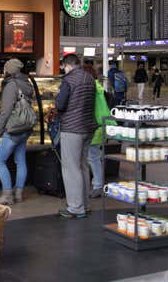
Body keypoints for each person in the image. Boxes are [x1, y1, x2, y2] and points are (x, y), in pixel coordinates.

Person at [56, 54, 96, 218]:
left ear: (67, 65)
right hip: (88, 126)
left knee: (71, 168)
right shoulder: (89, 77)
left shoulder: (69, 80)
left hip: (72, 128)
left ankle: (75, 207)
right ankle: (84, 205)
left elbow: (60, 104)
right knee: (82, 166)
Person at [0, 58, 34, 205]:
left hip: (13, 129)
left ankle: (7, 195)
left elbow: (6, 111)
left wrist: (0, 128)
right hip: (25, 128)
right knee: (20, 161)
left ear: (9, 70)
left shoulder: (11, 85)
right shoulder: (26, 83)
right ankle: (19, 193)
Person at [83, 65, 110, 199]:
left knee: (93, 157)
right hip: (100, 125)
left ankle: (98, 185)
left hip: (95, 126)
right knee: (94, 156)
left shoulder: (90, 88)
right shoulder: (97, 87)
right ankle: (96, 183)